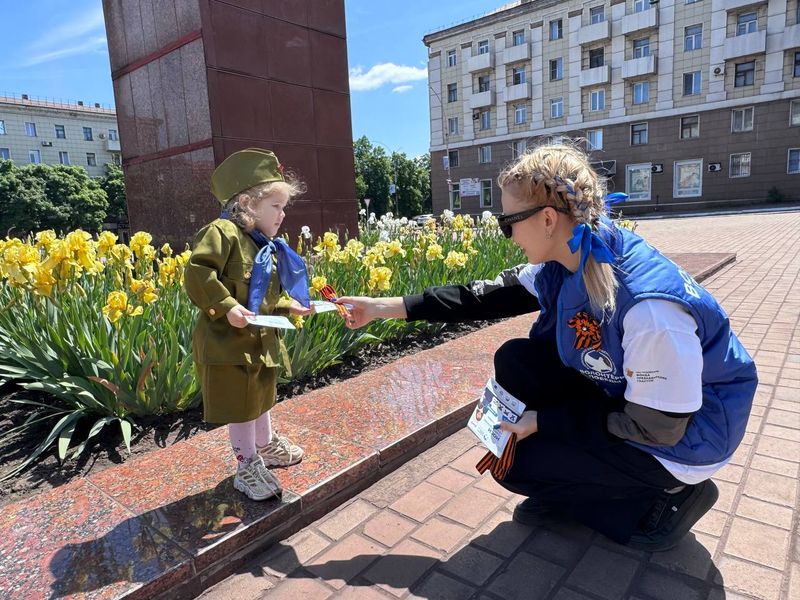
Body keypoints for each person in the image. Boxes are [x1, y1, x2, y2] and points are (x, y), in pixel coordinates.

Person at [337, 142, 757, 551]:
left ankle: (663, 500)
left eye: (508, 223)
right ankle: (576, 482)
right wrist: (379, 308)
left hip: (685, 439)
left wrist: (545, 422)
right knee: (516, 361)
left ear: (548, 219)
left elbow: (660, 426)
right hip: (639, 401)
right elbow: (482, 297)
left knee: (517, 466)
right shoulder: (570, 254)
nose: (506, 236)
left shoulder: (650, 312)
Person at [184, 149, 314, 501]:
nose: (283, 215)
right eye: (276, 206)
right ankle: (246, 464)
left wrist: (291, 307)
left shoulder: (261, 245)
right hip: (227, 344)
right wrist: (225, 307)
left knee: (261, 396)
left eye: (284, 207)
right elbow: (197, 271)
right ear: (247, 203)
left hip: (259, 342)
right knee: (242, 404)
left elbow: (263, 300)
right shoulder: (222, 233)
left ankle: (266, 445)